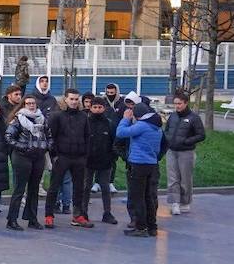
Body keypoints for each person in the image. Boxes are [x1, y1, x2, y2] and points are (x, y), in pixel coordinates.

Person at [44, 88, 90, 229]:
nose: (74, 102)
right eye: (72, 99)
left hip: (79, 157)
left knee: (79, 188)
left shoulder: (83, 116)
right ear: (65, 99)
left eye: (76, 99)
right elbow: (50, 137)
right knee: (54, 187)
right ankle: (49, 215)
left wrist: (84, 155)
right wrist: (54, 156)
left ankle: (77, 216)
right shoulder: (56, 116)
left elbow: (87, 136)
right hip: (62, 157)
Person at [117, 103, 163, 237]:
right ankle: (152, 226)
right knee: (148, 197)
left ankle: (140, 227)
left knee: (138, 197)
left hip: (138, 164)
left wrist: (125, 119)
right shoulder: (157, 126)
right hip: (152, 164)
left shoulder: (142, 125)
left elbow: (121, 133)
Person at [5, 96, 49, 231]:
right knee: (19, 189)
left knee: (34, 189)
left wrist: (47, 146)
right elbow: (8, 137)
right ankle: (12, 220)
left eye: (33, 103)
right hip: (22, 156)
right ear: (23, 104)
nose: (31, 105)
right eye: (28, 103)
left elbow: (50, 135)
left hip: (38, 156)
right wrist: (23, 147)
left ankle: (32, 218)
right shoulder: (18, 119)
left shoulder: (41, 119)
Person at [163, 91, 206, 216]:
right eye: (175, 103)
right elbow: (167, 130)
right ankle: (174, 203)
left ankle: (185, 203)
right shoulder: (173, 116)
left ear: (186, 103)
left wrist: (187, 141)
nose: (177, 106)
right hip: (172, 151)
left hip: (186, 152)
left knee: (185, 179)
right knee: (172, 179)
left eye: (179, 104)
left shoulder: (194, 118)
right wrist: (168, 140)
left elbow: (201, 135)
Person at [84, 96, 119, 225]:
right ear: (90, 108)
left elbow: (115, 141)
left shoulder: (109, 123)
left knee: (105, 187)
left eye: (100, 107)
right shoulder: (85, 122)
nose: (97, 110)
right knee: (86, 186)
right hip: (88, 161)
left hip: (105, 161)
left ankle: (107, 213)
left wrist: (113, 156)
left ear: (104, 108)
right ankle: (83, 212)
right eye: (95, 107)